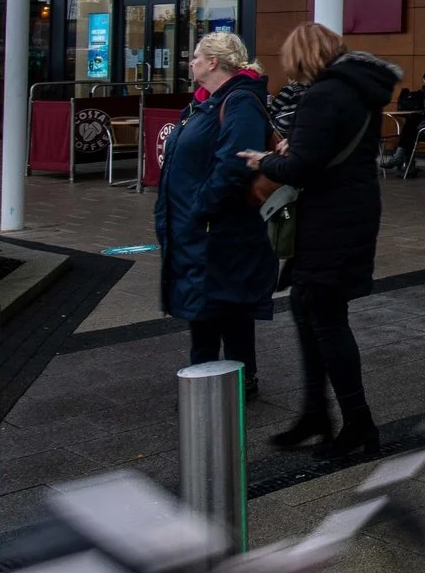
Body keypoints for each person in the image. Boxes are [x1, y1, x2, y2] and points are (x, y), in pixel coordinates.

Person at [242, 22, 402, 458]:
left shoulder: (322, 95)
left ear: (301, 57)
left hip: (330, 220)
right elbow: (327, 149)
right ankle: (317, 412)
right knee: (307, 308)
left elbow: (301, 169)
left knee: (326, 317)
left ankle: (358, 426)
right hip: (352, 213)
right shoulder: (357, 91)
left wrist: (264, 162)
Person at [154, 32, 274, 391]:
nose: (189, 63)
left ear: (213, 62)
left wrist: (201, 209)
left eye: (194, 57)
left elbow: (234, 164)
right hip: (196, 228)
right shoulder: (200, 104)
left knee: (225, 306)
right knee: (206, 309)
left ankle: (228, 383)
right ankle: (212, 380)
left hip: (217, 228)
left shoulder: (239, 102)